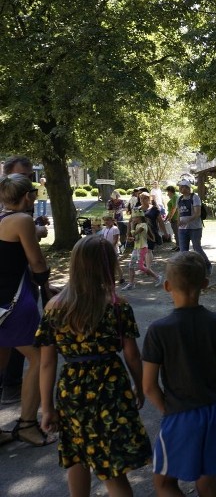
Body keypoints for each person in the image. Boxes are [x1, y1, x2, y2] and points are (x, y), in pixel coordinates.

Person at [35, 235, 152, 496]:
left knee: (76, 457)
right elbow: (132, 355)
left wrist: (47, 408)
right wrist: (140, 387)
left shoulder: (54, 308)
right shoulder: (117, 306)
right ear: (109, 266)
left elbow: (46, 363)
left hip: (72, 392)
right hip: (111, 389)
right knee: (113, 469)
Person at [142, 251, 216, 497]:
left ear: (166, 286)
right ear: (205, 284)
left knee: (164, 483)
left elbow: (148, 387)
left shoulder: (158, 331)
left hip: (181, 414)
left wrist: (167, 410)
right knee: (207, 483)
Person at [0, 174, 55, 447]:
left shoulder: (3, 219)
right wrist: (48, 288)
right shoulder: (21, 220)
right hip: (14, 302)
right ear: (28, 197)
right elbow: (37, 262)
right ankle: (27, 424)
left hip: (0, 303)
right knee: (39, 358)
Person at [177, 180, 212, 276]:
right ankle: (186, 271)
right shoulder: (179, 199)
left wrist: (187, 221)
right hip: (182, 229)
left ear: (188, 188)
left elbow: (197, 213)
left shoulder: (195, 197)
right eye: (180, 187)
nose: (180, 189)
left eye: (182, 187)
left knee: (197, 248)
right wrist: (178, 222)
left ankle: (207, 266)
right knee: (183, 251)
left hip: (195, 228)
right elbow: (179, 213)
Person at [122, 211, 162, 291]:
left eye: (134, 217)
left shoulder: (143, 225)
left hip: (142, 248)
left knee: (140, 267)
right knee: (131, 265)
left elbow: (134, 233)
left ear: (139, 217)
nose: (133, 219)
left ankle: (157, 277)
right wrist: (131, 239)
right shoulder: (137, 226)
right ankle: (131, 283)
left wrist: (132, 226)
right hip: (136, 248)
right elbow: (136, 237)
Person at [102, 213, 125, 284]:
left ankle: (121, 277)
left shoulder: (115, 229)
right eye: (105, 220)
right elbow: (103, 238)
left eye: (108, 220)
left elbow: (115, 240)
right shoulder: (104, 229)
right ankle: (109, 278)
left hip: (113, 249)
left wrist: (109, 248)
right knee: (107, 264)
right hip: (106, 249)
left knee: (116, 264)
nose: (106, 222)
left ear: (112, 221)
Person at [165, 186, 180, 252]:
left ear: (170, 191)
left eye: (168, 192)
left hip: (175, 218)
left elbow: (174, 208)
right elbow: (171, 209)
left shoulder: (174, 197)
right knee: (175, 232)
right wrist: (167, 216)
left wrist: (170, 217)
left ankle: (179, 246)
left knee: (177, 233)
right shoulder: (175, 196)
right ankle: (177, 245)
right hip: (174, 217)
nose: (167, 194)